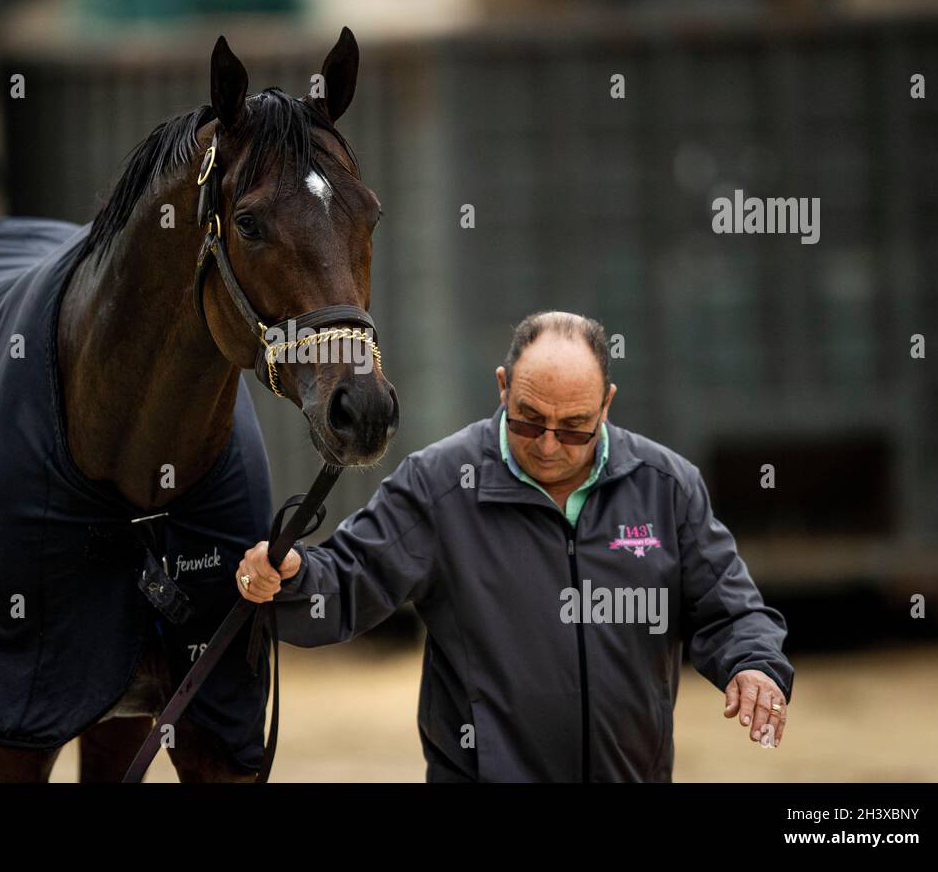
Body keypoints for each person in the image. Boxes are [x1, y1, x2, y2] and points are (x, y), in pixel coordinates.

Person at [235, 311, 792, 781]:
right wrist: (290, 576)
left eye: (575, 426)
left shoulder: (666, 486)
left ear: (607, 405)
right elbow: (347, 581)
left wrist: (755, 664)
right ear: (503, 387)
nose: (549, 445)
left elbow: (731, 607)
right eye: (529, 420)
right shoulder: (441, 484)